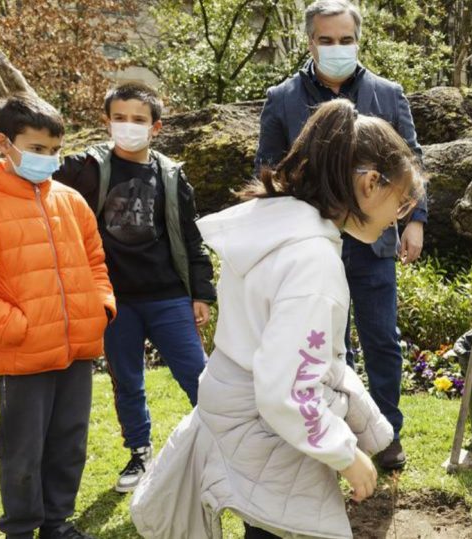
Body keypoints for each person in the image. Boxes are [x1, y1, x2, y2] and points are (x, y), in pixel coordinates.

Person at [129, 99, 421, 538]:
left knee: (262, 524)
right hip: (269, 429)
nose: (395, 220)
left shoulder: (273, 228)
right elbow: (286, 390)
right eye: (399, 204)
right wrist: (345, 454)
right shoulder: (313, 263)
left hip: (235, 410)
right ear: (369, 185)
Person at [255, 0, 426, 470]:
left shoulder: (388, 94)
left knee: (382, 339)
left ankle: (386, 434)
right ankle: (336, 436)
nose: (336, 48)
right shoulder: (283, 98)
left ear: (358, 40)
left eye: (345, 40)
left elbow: (412, 159)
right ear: (310, 41)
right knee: (328, 346)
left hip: (375, 241)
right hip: (311, 244)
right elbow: (268, 170)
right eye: (326, 40)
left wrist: (415, 219)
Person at [54, 82, 216, 493]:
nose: (129, 126)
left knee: (198, 375)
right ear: (106, 123)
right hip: (113, 300)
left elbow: (190, 238)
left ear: (156, 127)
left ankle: (221, 441)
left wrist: (201, 293)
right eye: (120, 118)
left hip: (167, 295)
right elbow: (42, 164)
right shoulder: (89, 168)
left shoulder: (171, 175)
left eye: (139, 120)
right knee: (127, 380)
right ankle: (139, 452)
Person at [0, 94, 115, 539]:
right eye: (37, 149)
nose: (48, 159)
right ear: (4, 142)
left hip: (77, 347)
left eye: (55, 150)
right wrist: (11, 325)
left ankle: (57, 524)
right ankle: (20, 528)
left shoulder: (72, 201)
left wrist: (101, 307)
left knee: (69, 444)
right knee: (21, 452)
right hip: (22, 353)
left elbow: (96, 262)